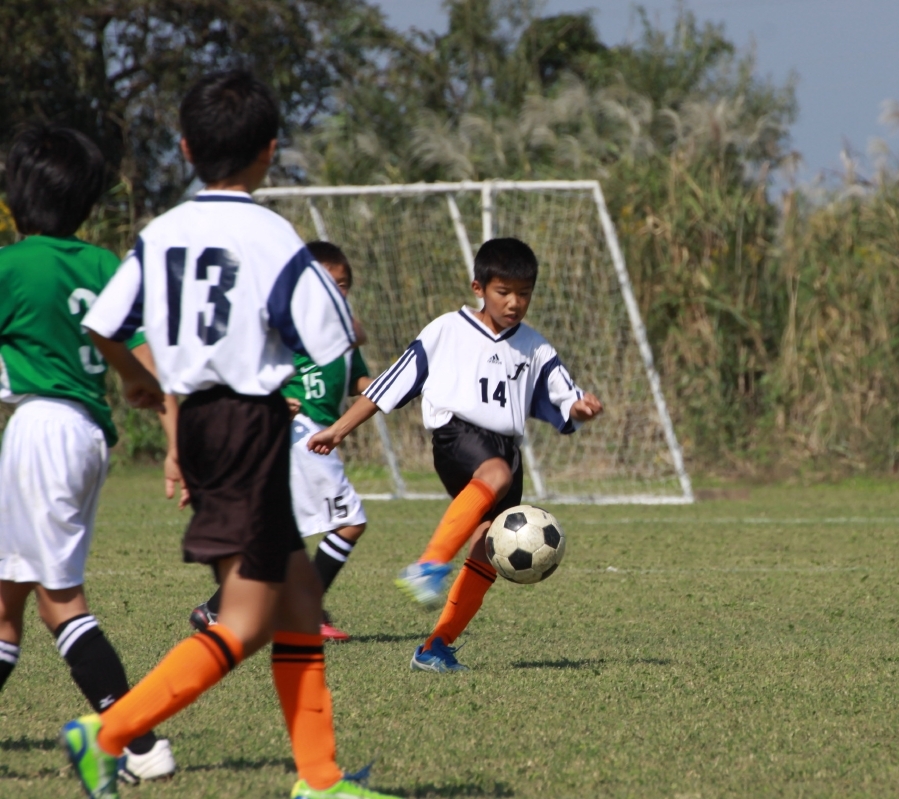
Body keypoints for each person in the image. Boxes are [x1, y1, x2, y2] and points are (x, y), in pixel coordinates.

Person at [64, 70, 395, 798]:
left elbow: (104, 323)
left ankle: (320, 779)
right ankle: (108, 733)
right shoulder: (273, 235)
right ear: (270, 151)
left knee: (299, 596)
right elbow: (336, 338)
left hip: (202, 419)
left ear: (185, 148)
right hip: (249, 424)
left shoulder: (162, 232)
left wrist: (135, 379)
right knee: (245, 621)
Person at [308, 237, 603, 673]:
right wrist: (338, 429)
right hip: (457, 436)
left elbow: (565, 398)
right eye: (504, 292)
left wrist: (580, 409)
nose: (514, 303)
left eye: (524, 293)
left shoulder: (536, 347)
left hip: (507, 450)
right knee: (495, 474)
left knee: (488, 549)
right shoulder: (446, 330)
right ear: (478, 288)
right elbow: (389, 384)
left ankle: (435, 647)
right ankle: (429, 564)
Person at [0, 123, 175, 784]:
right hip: (85, 436)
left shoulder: (12, 266)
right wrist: (174, 440)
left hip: (40, 431)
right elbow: (151, 364)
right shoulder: (106, 266)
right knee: (9, 601)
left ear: (16, 197)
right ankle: (137, 738)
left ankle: (138, 741)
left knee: (61, 600)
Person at [190, 241, 372, 641]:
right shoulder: (291, 327)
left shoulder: (339, 338)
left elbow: (359, 380)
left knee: (278, 533)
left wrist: (398, 386)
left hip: (314, 436)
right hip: (301, 434)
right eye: (327, 285)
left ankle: (215, 610)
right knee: (350, 522)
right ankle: (305, 609)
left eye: (343, 285)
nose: (337, 293)